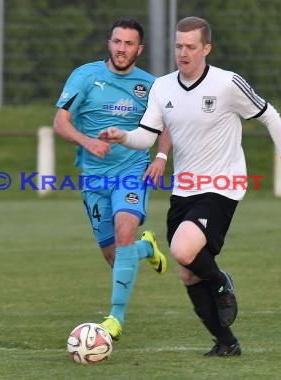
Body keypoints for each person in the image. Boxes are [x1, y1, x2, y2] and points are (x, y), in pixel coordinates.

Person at [99, 16, 281, 356]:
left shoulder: (227, 83)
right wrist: (122, 135)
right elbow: (146, 136)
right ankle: (226, 343)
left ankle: (222, 282)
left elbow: (268, 114)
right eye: (178, 46)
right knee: (187, 273)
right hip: (184, 190)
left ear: (206, 48)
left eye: (191, 47)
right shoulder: (162, 87)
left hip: (222, 186)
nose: (183, 53)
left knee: (182, 250)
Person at [53, 17, 168, 341]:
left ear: (139, 49)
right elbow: (61, 122)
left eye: (128, 43)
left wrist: (160, 157)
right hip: (93, 177)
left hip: (131, 172)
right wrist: (87, 141)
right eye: (117, 42)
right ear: (110, 43)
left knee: (123, 230)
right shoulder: (85, 76)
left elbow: (167, 125)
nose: (121, 48)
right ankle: (146, 249)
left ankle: (114, 319)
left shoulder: (151, 85)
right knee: (115, 254)